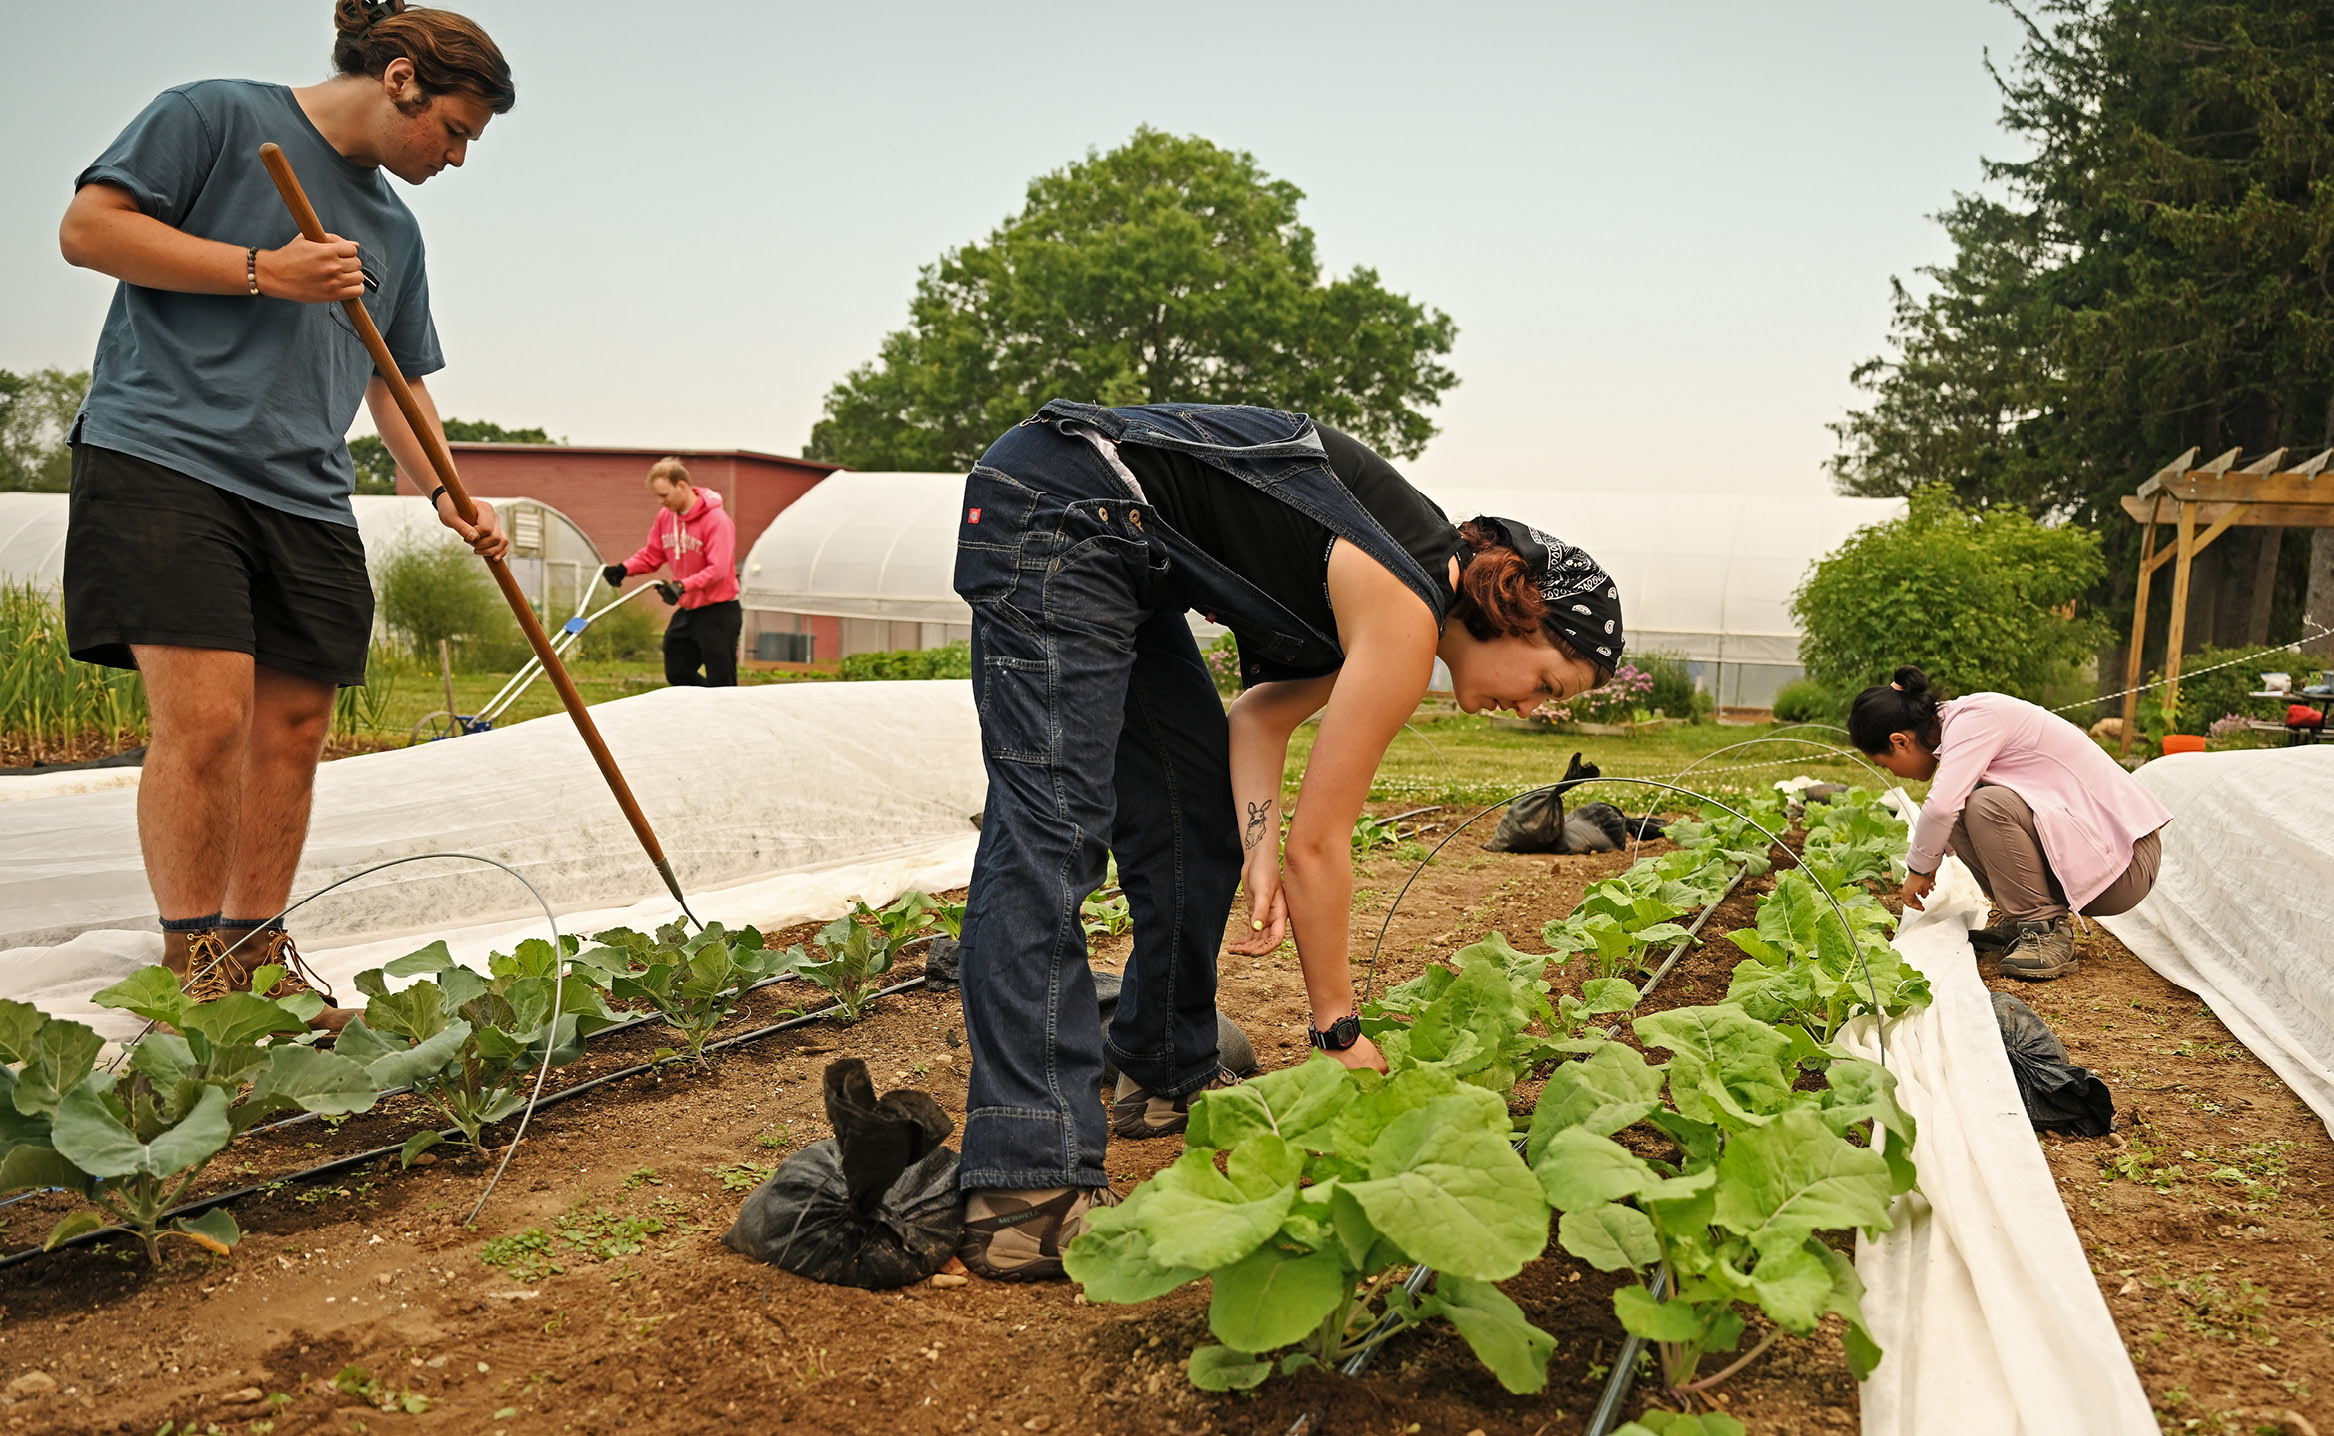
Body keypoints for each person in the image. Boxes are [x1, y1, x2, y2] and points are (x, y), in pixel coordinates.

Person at [950, 400, 1624, 1279]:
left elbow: (1259, 722)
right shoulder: (1411, 604)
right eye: (1551, 684)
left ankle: (1161, 1069)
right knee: (1052, 830)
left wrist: (1254, 847)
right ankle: (1024, 1189)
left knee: (1194, 822)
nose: (1536, 709)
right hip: (1065, 505)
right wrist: (1336, 1029)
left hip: (1122, 544)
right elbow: (1324, 845)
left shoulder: (1396, 583)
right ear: (1523, 615)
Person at [56, 0, 514, 1023]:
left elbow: (393, 381)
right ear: (402, 79)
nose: (457, 156)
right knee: (208, 719)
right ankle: (193, 978)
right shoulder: (217, 116)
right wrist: (266, 271)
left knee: (297, 725)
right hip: (165, 456)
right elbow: (88, 229)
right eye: (455, 129)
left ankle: (257, 961)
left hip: (305, 489)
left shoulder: (394, 228)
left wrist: (446, 489)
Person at [1851, 666, 2171, 981]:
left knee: (1984, 805)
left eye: (1885, 763)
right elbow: (1946, 813)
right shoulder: (1961, 723)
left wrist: (1919, 869)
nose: (1892, 773)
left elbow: (1940, 808)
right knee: (1969, 805)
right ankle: (2024, 921)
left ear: (1900, 741)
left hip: (2126, 862)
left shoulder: (1974, 720)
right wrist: (1931, 857)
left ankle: (2043, 929)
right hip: (2100, 855)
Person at [602, 456, 740, 688]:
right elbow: (653, 555)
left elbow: (719, 569)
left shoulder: (716, 520)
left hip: (719, 612)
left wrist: (682, 585)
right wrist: (625, 569)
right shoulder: (666, 517)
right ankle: (702, 709)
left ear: (682, 486)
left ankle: (726, 711)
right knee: (677, 671)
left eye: (664, 495)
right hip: (688, 610)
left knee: (722, 682)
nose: (660, 501)